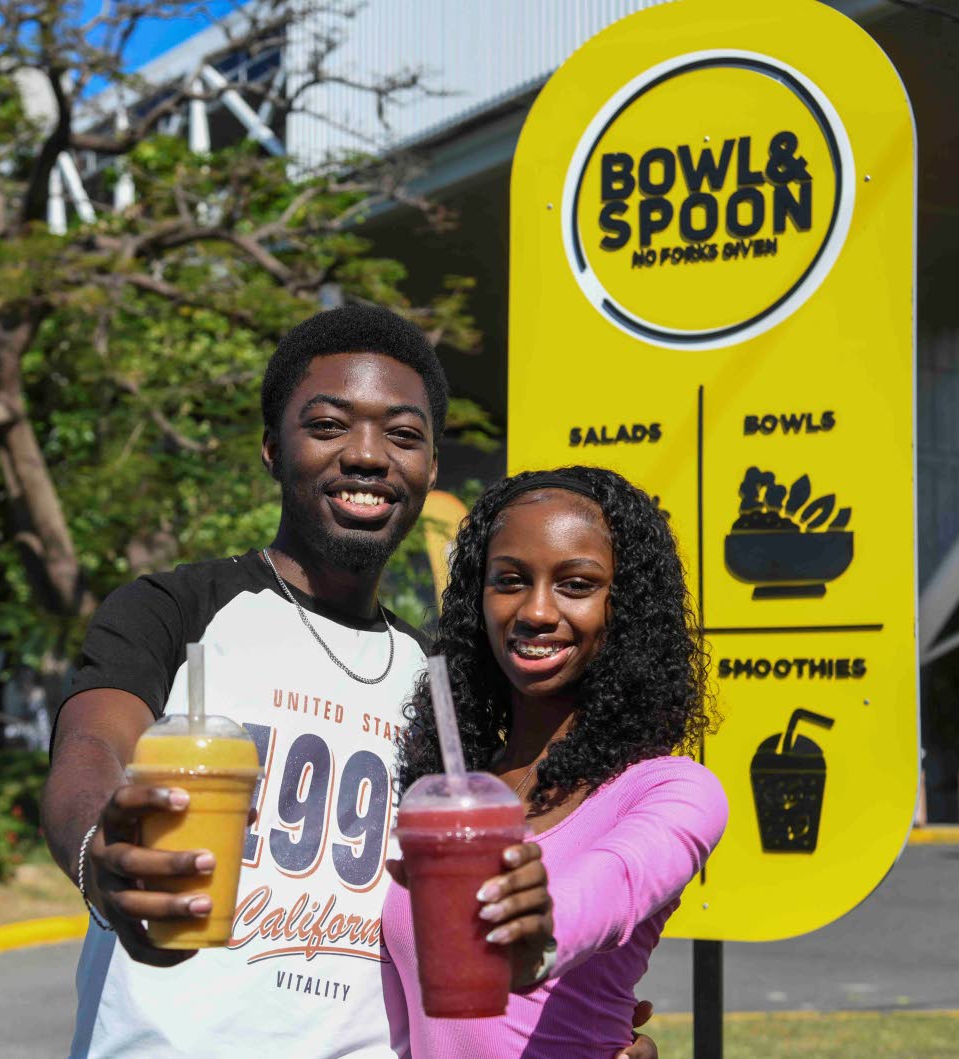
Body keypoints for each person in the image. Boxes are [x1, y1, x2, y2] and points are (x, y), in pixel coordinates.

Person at [41, 307, 659, 1058]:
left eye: (402, 434)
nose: (368, 455)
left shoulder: (443, 681)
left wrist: (580, 1029)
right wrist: (97, 854)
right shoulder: (176, 610)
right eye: (329, 425)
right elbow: (89, 749)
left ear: (432, 468)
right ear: (273, 447)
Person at [390, 466, 728, 1058]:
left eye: (576, 584)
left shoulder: (674, 791)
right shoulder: (438, 794)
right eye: (510, 580)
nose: (537, 611)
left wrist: (540, 930)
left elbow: (616, 881)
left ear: (625, 608)